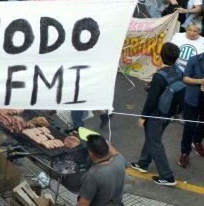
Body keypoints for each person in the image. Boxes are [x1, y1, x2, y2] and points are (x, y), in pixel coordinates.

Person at [131, 42, 181, 186]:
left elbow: (151, 100)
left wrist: (143, 117)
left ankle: (167, 176)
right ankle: (143, 163)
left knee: (155, 142)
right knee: (153, 137)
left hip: (156, 114)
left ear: (161, 55)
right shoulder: (178, 70)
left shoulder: (159, 77)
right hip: (168, 113)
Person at [77, 135, 127, 206]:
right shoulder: (120, 159)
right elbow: (114, 151)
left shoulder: (92, 176)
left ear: (90, 152)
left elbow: (82, 204)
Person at [178, 41, 204, 168]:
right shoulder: (194, 60)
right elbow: (185, 78)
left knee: (203, 125)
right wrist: (200, 81)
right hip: (191, 100)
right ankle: (185, 153)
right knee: (190, 127)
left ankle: (197, 141)